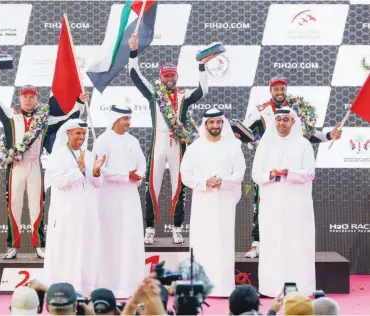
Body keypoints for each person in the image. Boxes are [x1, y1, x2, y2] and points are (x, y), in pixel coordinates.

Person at [0, 66, 89, 259]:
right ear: (19, 98)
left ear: (36, 99)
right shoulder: (10, 116)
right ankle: (12, 247)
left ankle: (39, 245)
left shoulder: (44, 119)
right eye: (25, 96)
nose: (28, 99)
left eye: (32, 96)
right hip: (14, 169)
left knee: (36, 207)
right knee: (13, 206)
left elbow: (67, 119)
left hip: (35, 169)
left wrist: (79, 103)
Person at [128, 33, 218, 244]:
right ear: (161, 78)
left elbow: (203, 90)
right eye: (166, 76)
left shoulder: (184, 96)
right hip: (158, 144)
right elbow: (134, 75)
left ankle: (177, 228)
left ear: (176, 77)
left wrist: (202, 66)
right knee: (152, 185)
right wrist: (133, 51)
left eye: (172, 76)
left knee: (180, 185)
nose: (169, 79)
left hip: (178, 145)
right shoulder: (153, 93)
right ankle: (149, 228)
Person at [241, 75, 342, 258]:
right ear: (270, 90)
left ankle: (291, 246)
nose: (279, 92)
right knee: (260, 204)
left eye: (282, 89)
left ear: (286, 89)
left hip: (292, 165)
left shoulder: (297, 108)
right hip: (268, 165)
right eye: (275, 89)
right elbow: (245, 132)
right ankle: (257, 243)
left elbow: (309, 134)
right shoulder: (261, 110)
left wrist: (328, 135)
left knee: (292, 206)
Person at [180, 108, 246, 297]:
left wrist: (222, 181)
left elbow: (239, 174)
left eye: (218, 122)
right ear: (205, 124)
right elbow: (185, 175)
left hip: (224, 201)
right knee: (202, 243)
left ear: (222, 124)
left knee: (223, 243)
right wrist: (204, 182)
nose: (215, 125)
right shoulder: (195, 147)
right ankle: (201, 286)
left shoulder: (233, 146)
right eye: (211, 122)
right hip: (202, 202)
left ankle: (224, 287)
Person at [252, 107, 316, 297]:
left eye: (285, 119)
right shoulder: (265, 145)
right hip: (272, 205)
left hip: (296, 206)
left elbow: (310, 173)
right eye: (278, 119)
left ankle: (301, 287)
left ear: (293, 122)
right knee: (273, 243)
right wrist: (271, 174)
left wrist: (290, 173)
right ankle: (271, 287)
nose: (281, 123)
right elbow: (256, 174)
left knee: (297, 243)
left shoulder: (304, 144)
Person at [91, 104, 146, 298]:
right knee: (111, 239)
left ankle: (131, 285)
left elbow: (142, 165)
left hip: (130, 197)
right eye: (125, 119)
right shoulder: (103, 141)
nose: (128, 123)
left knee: (130, 239)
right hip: (109, 199)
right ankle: (109, 286)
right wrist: (125, 175)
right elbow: (98, 169)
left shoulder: (133, 141)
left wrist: (137, 175)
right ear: (115, 120)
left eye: (129, 119)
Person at [43, 119, 103, 295]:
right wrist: (79, 170)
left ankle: (85, 290)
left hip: (87, 215)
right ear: (67, 133)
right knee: (67, 253)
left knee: (86, 252)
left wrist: (96, 172)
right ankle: (62, 291)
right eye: (78, 133)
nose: (82, 137)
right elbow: (57, 182)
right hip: (66, 215)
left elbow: (97, 184)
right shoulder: (58, 155)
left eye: (84, 133)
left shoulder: (90, 155)